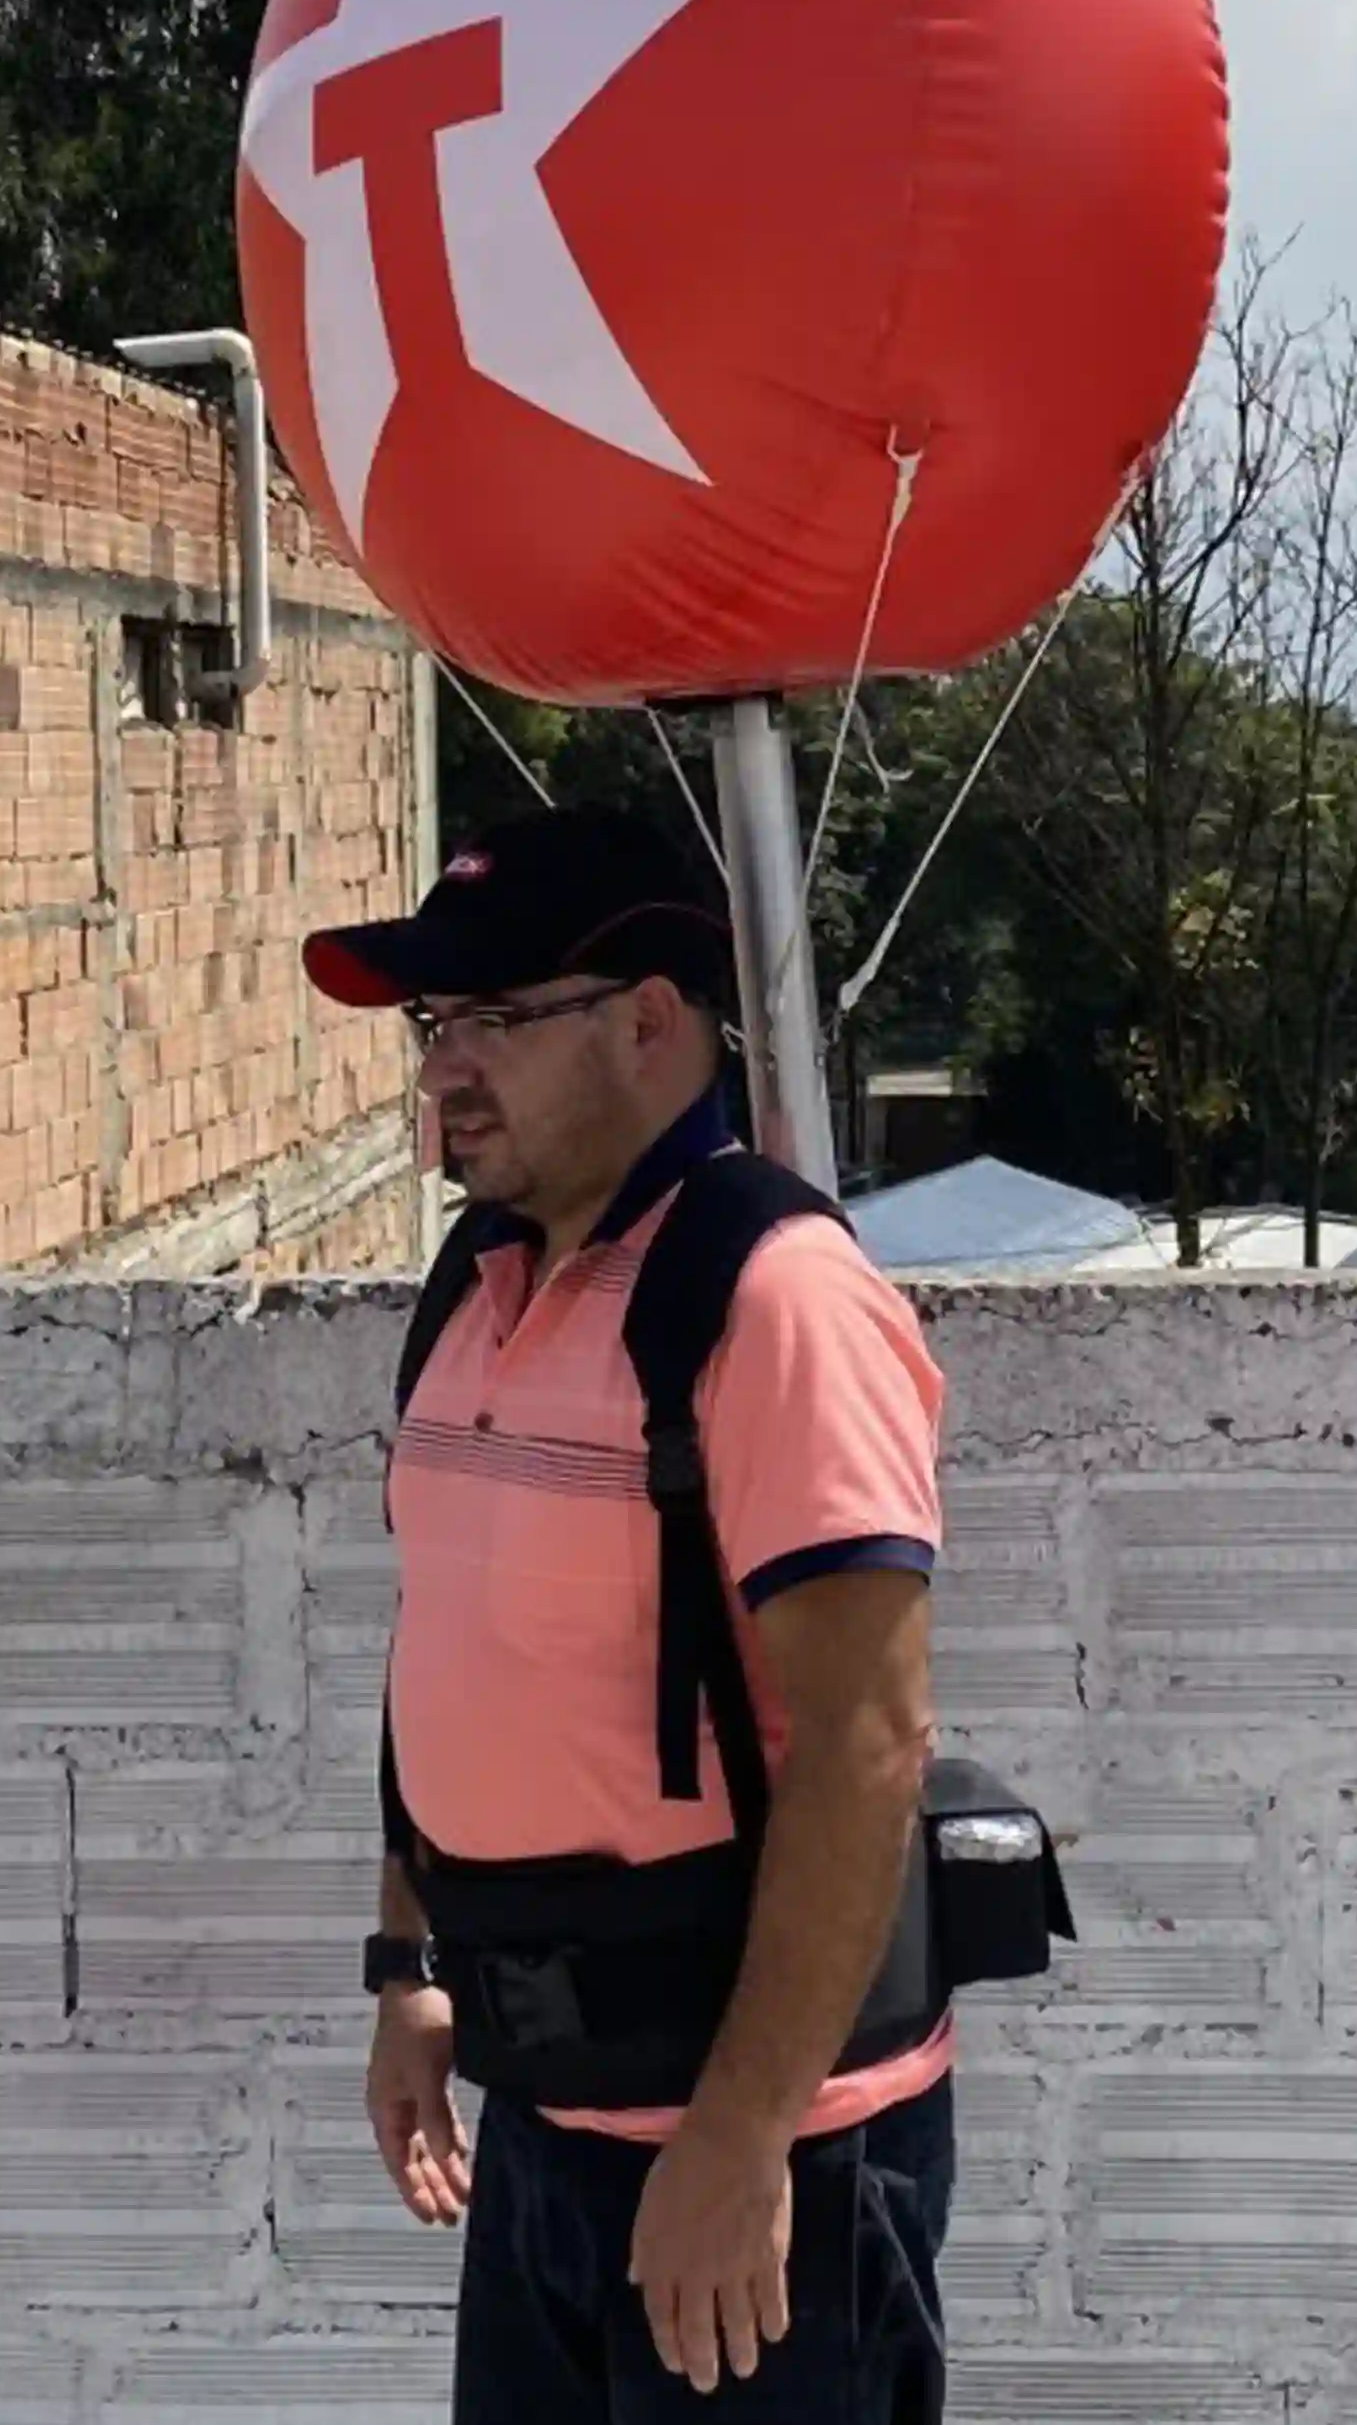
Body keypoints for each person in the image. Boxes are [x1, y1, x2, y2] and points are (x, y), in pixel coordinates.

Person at [303, 804, 955, 2421]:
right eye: (433, 1026)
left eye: (495, 1021)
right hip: (547, 2120)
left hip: (759, 2152)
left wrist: (742, 2136)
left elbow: (868, 1752)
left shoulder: (775, 1296)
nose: (445, 1068)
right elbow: (442, 1652)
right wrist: (411, 1970)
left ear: (652, 1021)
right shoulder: (478, 1288)